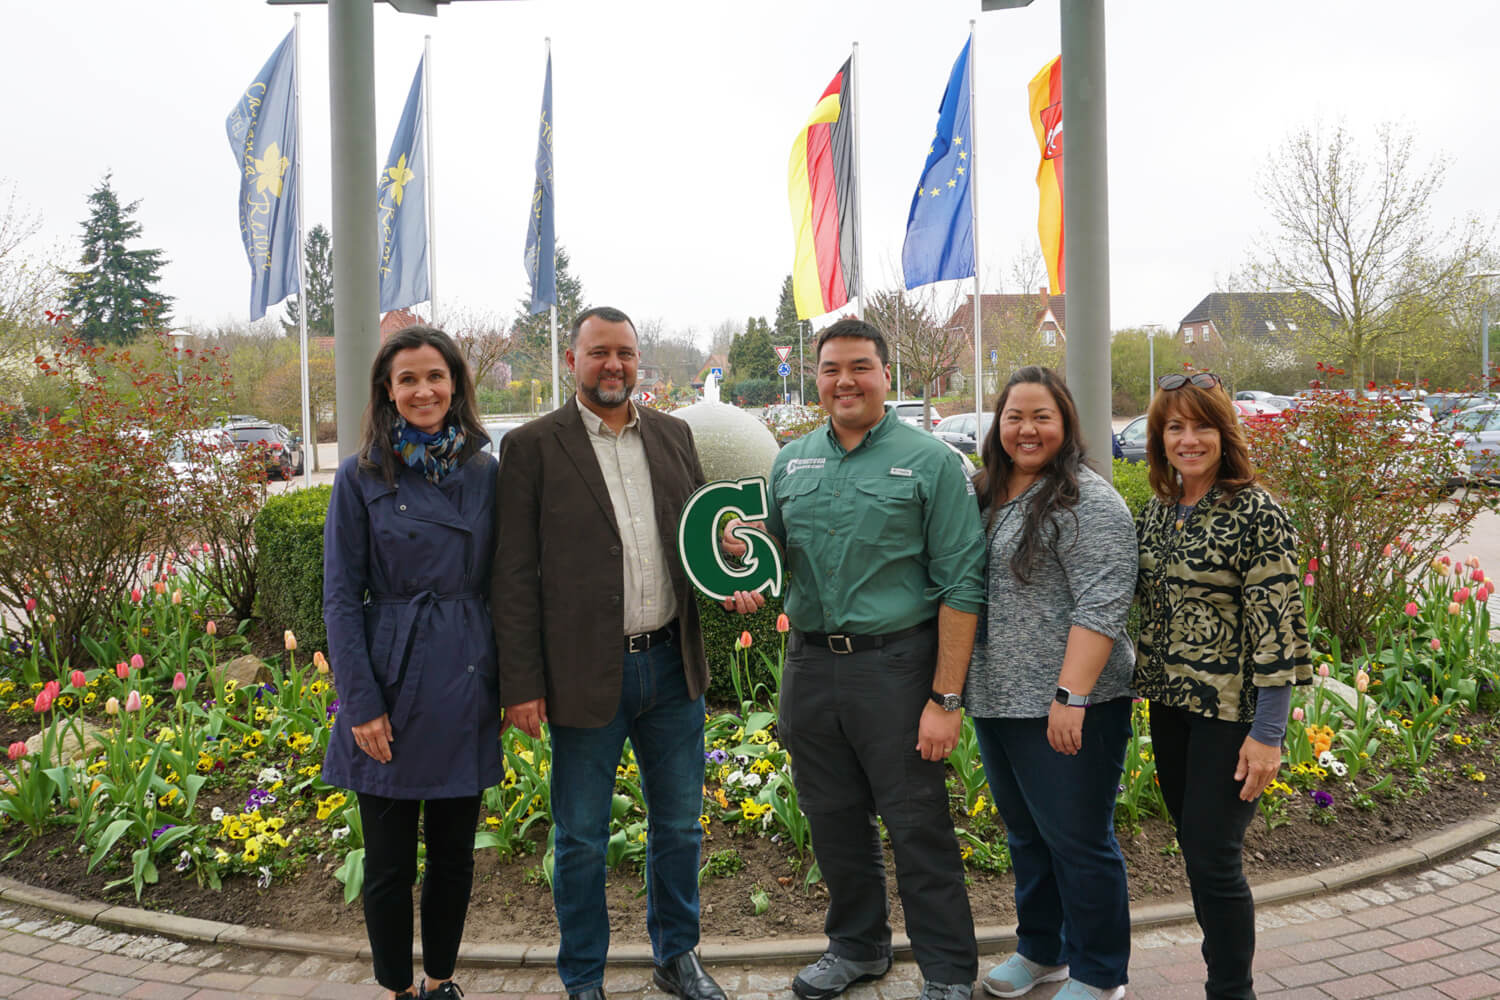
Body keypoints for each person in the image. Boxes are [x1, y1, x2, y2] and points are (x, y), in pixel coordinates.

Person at [723, 317, 985, 1000]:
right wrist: (740, 575)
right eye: (832, 367)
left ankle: (949, 972)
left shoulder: (930, 462)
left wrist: (946, 697)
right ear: (818, 377)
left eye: (860, 367)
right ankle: (859, 947)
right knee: (832, 817)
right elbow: (771, 558)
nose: (845, 380)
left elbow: (963, 584)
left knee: (916, 824)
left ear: (885, 375)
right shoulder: (791, 460)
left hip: (896, 669)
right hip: (810, 668)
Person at [492, 306, 725, 1000]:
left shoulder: (676, 436)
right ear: (572, 361)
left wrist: (735, 572)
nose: (614, 365)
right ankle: (583, 977)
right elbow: (512, 575)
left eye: (625, 352)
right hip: (583, 676)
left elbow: (705, 536)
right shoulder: (533, 447)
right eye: (599, 353)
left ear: (638, 362)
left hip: (671, 666)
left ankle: (676, 957)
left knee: (679, 828)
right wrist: (520, 683)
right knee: (583, 840)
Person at [322, 325, 501, 1000]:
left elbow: (507, 583)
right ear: (387, 392)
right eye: (407, 379)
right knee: (391, 864)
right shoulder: (360, 475)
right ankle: (397, 988)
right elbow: (340, 598)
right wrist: (360, 701)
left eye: (434, 376)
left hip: (465, 675)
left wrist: (511, 684)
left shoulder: (485, 470)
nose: (423, 390)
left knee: (454, 857)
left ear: (455, 384)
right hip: (391, 680)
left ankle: (441, 980)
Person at [1135, 371, 1312, 1000]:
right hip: (1170, 709)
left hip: (1233, 717)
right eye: (1174, 427)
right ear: (1159, 438)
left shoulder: (1255, 511)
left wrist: (1268, 734)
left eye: (1201, 425)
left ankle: (1232, 991)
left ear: (1223, 432)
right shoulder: (1158, 512)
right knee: (1196, 852)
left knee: (1214, 857)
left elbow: (1280, 630)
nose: (1188, 439)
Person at [965, 368, 1136, 1000]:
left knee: (1079, 841)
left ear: (1065, 425)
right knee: (1027, 834)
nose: (1026, 429)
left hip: (1070, 705)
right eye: (1014, 416)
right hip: (997, 699)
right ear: (998, 424)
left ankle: (1100, 972)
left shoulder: (1087, 500)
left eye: (1042, 416)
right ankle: (1044, 950)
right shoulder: (983, 493)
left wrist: (1072, 696)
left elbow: (1103, 600)